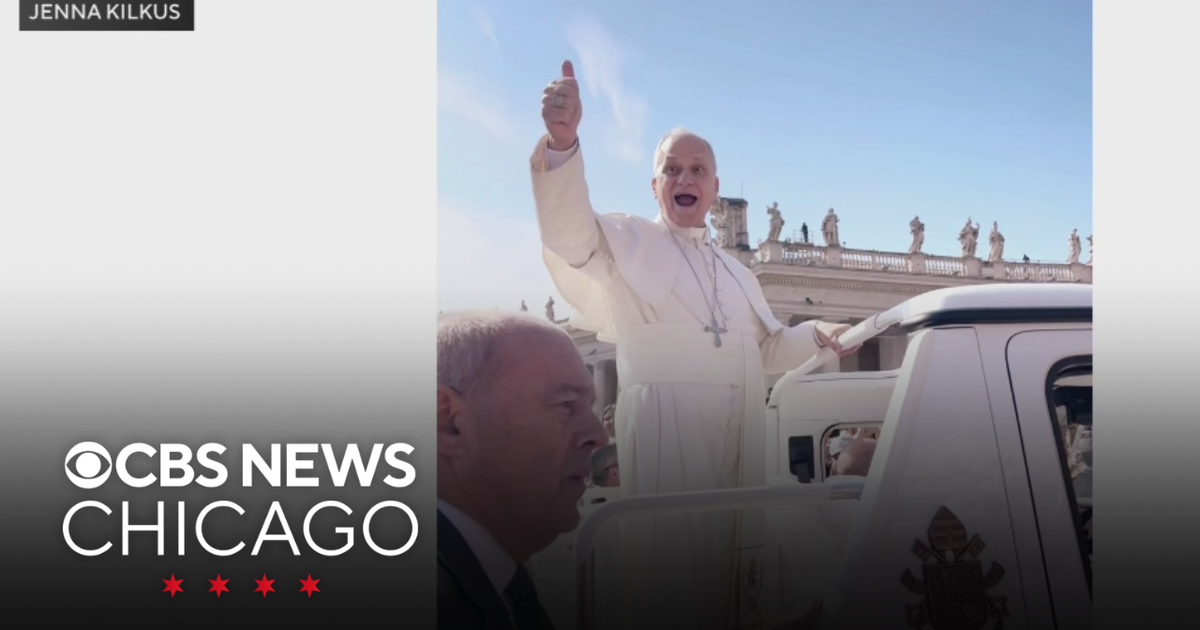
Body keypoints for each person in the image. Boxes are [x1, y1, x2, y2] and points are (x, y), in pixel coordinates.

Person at [531, 59, 854, 629]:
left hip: (742, 439)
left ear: (715, 187)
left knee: (739, 574)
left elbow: (767, 349)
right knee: (672, 576)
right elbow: (569, 234)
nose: (685, 179)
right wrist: (562, 146)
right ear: (654, 185)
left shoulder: (738, 275)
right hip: (668, 434)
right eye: (672, 169)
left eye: (697, 169)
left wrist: (815, 334)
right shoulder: (627, 243)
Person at [437, 311, 609, 629]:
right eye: (565, 404)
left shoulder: (494, 577)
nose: (598, 436)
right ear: (449, 422)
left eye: (589, 407)